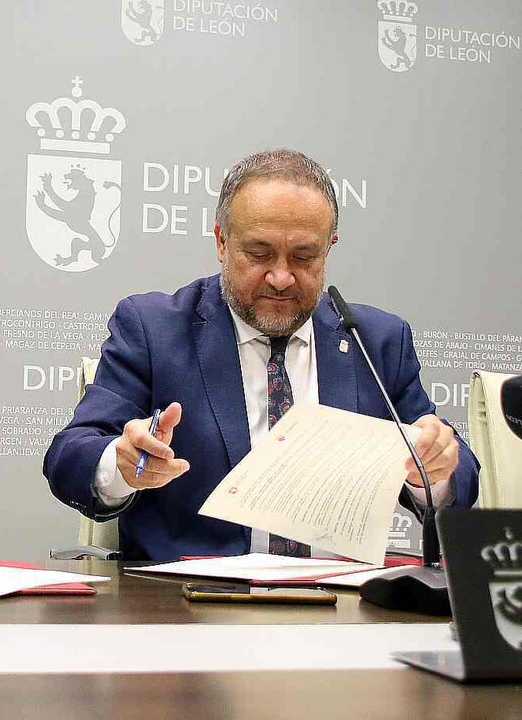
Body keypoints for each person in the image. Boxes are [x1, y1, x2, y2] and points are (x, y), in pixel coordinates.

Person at [44, 148, 478, 562]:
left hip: (344, 604)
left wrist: (431, 473)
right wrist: (120, 464)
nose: (282, 277)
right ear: (221, 242)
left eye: (304, 256)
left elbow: (456, 473)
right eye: (258, 253)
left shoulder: (375, 340)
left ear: (329, 248)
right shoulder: (154, 328)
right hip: (191, 608)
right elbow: (70, 455)